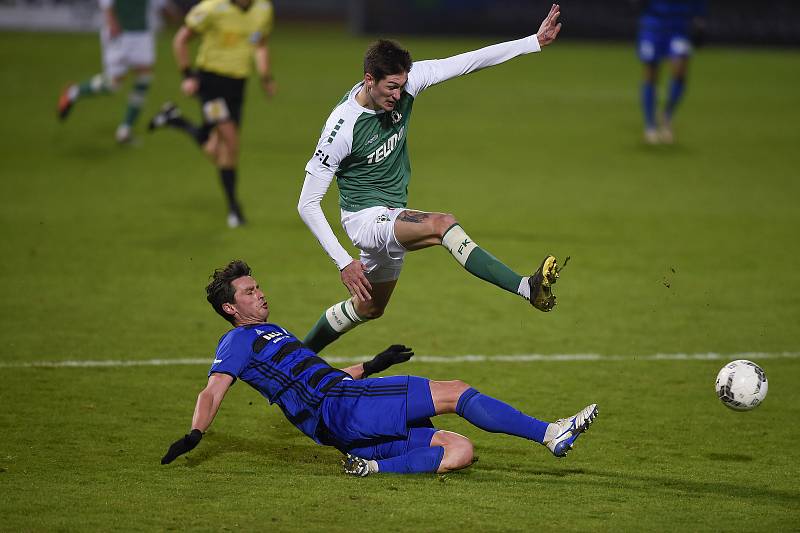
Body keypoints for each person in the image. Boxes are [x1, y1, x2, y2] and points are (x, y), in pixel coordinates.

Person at [298, 5, 568, 355]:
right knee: (443, 225)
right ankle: (527, 288)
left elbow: (469, 60)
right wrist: (343, 261)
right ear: (369, 80)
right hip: (364, 218)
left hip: (391, 213)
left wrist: (533, 41)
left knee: (370, 307)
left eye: (402, 85)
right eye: (391, 87)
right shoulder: (342, 128)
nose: (398, 95)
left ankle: (296, 362)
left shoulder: (409, 82)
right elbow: (307, 203)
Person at [160, 260, 598, 475]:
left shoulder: (273, 333)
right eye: (250, 292)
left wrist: (373, 364)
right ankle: (549, 433)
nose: (261, 294)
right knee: (455, 391)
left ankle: (371, 468)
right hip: (343, 408)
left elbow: (321, 378)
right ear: (230, 307)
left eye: (258, 288)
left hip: (342, 424)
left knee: (459, 451)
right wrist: (196, 434)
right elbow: (213, 390)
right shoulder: (238, 340)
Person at [148, 0, 276, 228]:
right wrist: (188, 75)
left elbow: (260, 43)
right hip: (211, 85)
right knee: (231, 142)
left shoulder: (263, 9)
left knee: (215, 150)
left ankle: (174, 119)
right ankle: (234, 209)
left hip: (237, 86)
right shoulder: (211, 8)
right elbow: (181, 40)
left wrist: (265, 76)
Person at [57, 0, 171, 144]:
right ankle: (73, 92)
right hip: (120, 34)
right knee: (113, 85)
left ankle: (125, 130)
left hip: (142, 35)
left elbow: (160, 5)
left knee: (144, 77)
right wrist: (112, 22)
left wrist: (174, 17)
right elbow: (106, 3)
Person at [636, 0, 707, 144]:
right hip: (653, 25)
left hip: (679, 26)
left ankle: (667, 115)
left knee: (680, 70)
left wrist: (700, 21)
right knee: (651, 74)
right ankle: (650, 126)